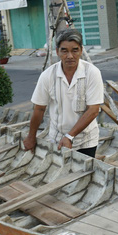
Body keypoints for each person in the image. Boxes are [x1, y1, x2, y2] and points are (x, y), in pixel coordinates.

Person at [23, 29, 104, 157]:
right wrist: (31, 137)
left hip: (86, 141)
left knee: (83, 175)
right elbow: (39, 109)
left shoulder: (92, 73)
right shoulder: (48, 75)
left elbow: (93, 110)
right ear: (57, 51)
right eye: (64, 51)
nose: (70, 56)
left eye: (75, 50)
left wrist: (70, 136)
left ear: (81, 50)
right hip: (57, 139)